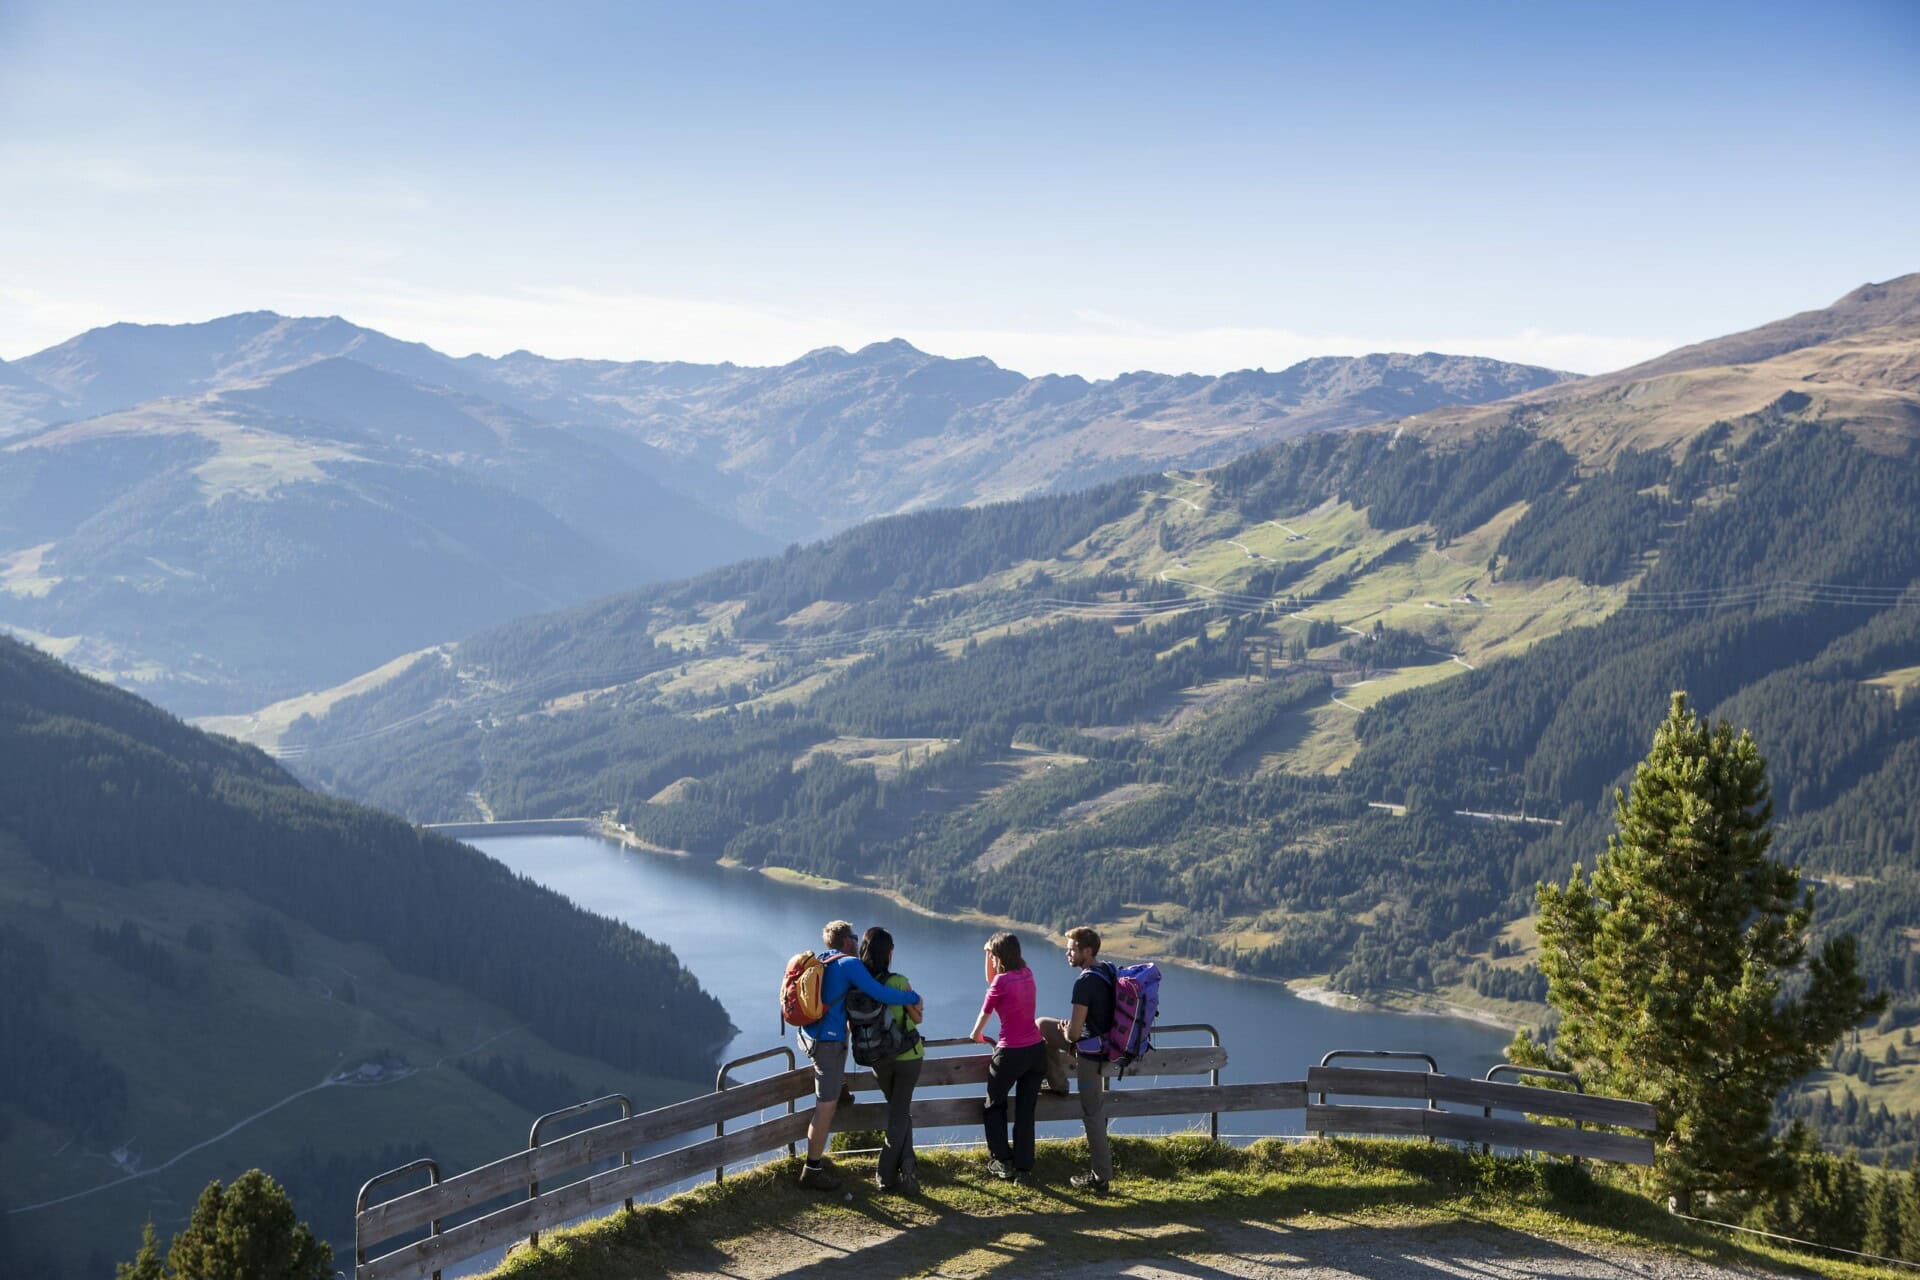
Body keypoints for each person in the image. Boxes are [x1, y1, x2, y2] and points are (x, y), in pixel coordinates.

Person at [797, 920, 922, 1190]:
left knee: (837, 1092)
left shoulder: (823, 961)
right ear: (847, 942)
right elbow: (878, 992)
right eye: (854, 937)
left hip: (810, 1037)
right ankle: (813, 1169)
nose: (857, 942)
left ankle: (839, 1087)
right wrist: (912, 999)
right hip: (828, 1043)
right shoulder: (849, 964)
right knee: (825, 1108)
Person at [1037, 925, 1114, 1194]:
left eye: (1072, 949)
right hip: (1106, 1045)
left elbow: (1071, 1034)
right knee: (1042, 1025)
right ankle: (1058, 1083)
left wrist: (1066, 1030)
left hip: (1091, 1056)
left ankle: (1100, 1178)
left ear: (1087, 951)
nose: (1067, 954)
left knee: (1091, 1113)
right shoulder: (1106, 970)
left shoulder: (1084, 982)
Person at [967, 930, 1045, 1183]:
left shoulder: (1001, 983)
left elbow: (985, 1013)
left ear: (998, 957)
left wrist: (976, 1034)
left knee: (994, 1104)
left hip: (1011, 1052)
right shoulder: (1028, 973)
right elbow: (994, 979)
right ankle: (1024, 1169)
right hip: (1036, 1052)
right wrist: (989, 952)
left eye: (992, 956)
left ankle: (1002, 1159)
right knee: (1025, 1111)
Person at [859, 926, 924, 1192]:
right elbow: (917, 1017)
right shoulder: (898, 982)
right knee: (900, 1113)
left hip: (877, 1058)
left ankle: (908, 1167)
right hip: (908, 1056)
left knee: (899, 1112)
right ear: (889, 953)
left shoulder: (860, 982)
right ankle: (886, 1174)